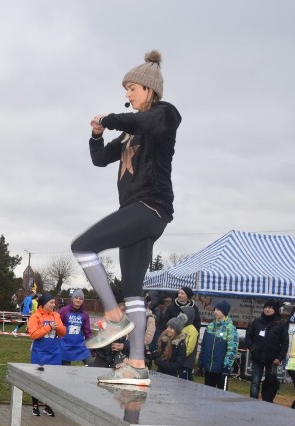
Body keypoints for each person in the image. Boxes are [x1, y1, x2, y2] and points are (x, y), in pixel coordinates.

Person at [73, 50, 181, 386]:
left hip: (150, 207)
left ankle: (112, 314)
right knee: (133, 287)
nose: (128, 95)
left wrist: (110, 119)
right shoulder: (128, 132)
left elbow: (143, 122)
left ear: (149, 90)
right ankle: (137, 365)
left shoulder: (165, 115)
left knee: (83, 246)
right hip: (135, 213)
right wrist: (96, 134)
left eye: (132, 88)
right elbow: (101, 158)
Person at [27, 293, 66, 416]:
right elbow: (33, 334)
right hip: (39, 352)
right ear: (44, 303)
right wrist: (48, 327)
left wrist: (58, 327)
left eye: (54, 303)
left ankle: (48, 406)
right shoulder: (35, 316)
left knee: (52, 379)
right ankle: (35, 405)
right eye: (51, 302)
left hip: (54, 352)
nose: (54, 305)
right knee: (37, 378)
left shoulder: (56, 315)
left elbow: (63, 332)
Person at [246, 299, 289, 402]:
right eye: (266, 307)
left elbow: (285, 342)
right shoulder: (257, 321)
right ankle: (253, 401)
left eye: (270, 307)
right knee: (255, 382)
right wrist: (252, 348)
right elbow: (249, 336)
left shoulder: (281, 324)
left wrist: (280, 357)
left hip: (272, 359)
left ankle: (268, 401)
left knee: (270, 382)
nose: (267, 309)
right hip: (257, 357)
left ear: (275, 310)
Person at [197, 301, 238, 390]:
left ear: (224, 312)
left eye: (218, 309)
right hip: (208, 368)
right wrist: (201, 362)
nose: (215, 311)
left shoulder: (230, 328)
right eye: (215, 309)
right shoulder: (210, 326)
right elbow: (204, 346)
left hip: (221, 369)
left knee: (221, 396)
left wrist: (227, 366)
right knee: (207, 393)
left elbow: (232, 349)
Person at [58, 289, 92, 366]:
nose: (78, 300)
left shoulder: (85, 314)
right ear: (72, 299)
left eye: (80, 299)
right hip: (65, 345)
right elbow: (58, 326)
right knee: (65, 370)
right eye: (76, 298)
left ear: (83, 301)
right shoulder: (64, 311)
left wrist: (91, 345)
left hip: (80, 345)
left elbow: (87, 331)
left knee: (90, 363)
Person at [179, 305, 199, 381]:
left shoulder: (192, 330)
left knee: (185, 381)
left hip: (186, 362)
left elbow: (190, 348)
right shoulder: (181, 327)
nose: (180, 315)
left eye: (182, 313)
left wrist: (180, 356)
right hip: (179, 361)